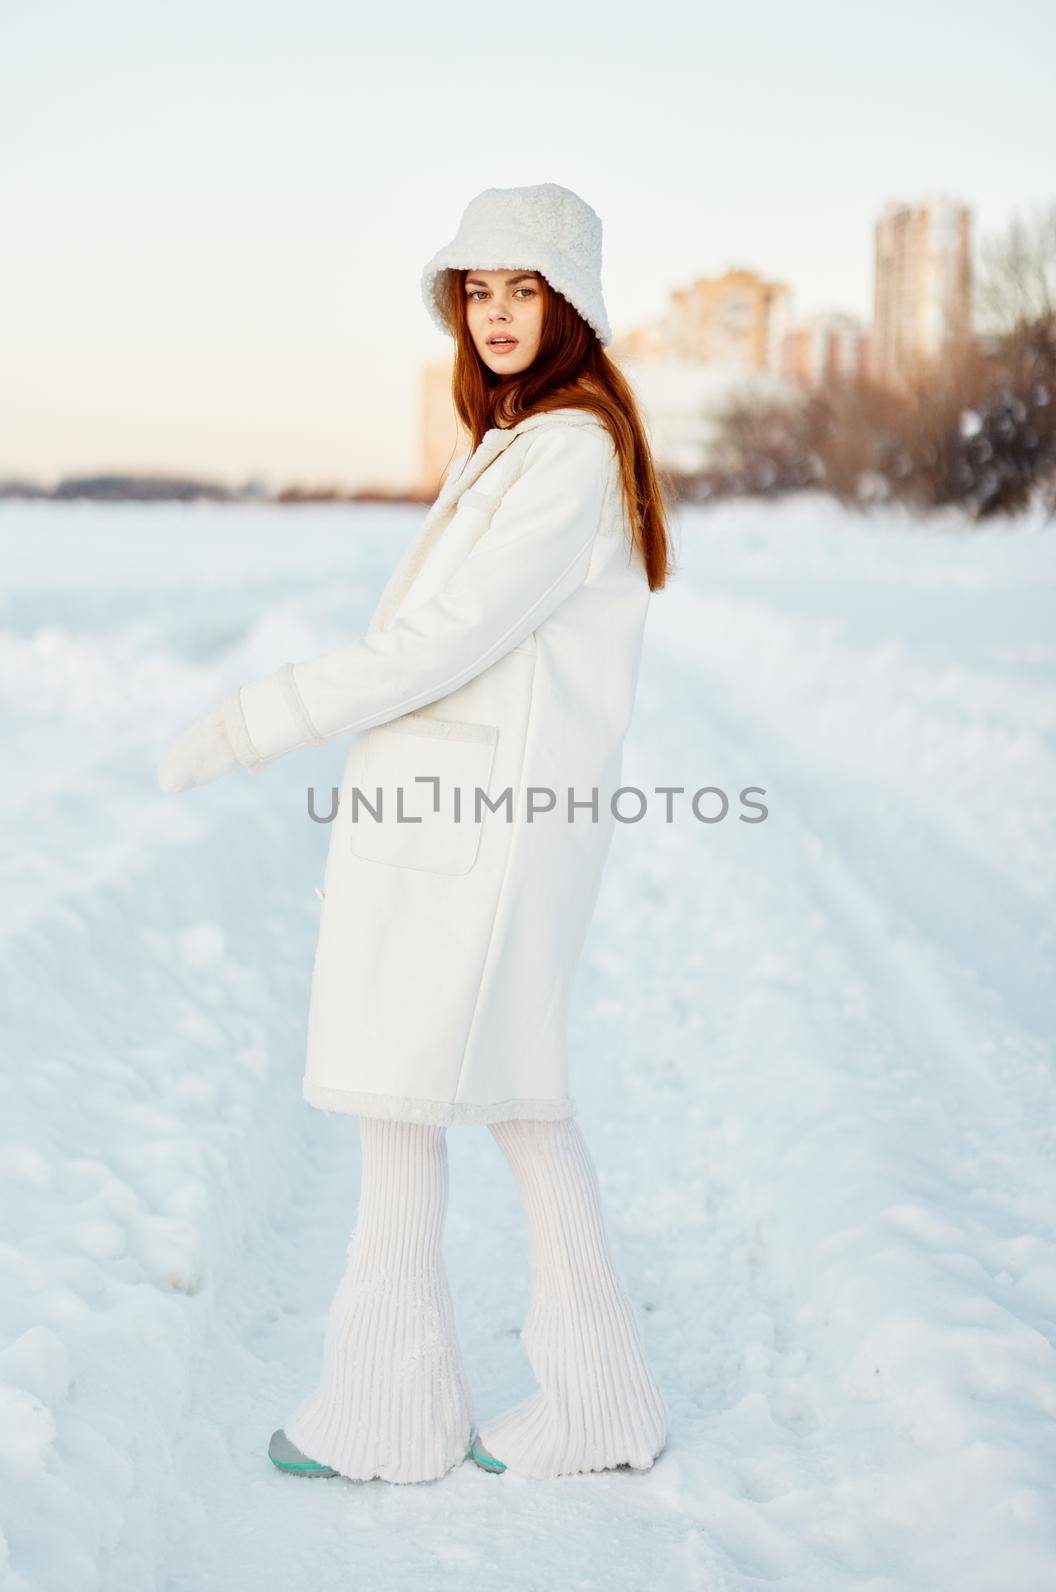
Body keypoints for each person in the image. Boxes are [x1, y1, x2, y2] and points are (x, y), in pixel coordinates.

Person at [158, 181, 675, 1484]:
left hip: (478, 838)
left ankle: (399, 1413)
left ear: (573, 303)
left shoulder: (560, 453)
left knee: (432, 1101)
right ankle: (571, 1399)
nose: (496, 315)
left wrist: (255, 718)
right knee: (493, 1100)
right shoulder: (526, 439)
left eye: (524, 289)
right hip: (460, 825)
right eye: (478, 291)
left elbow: (438, 646)